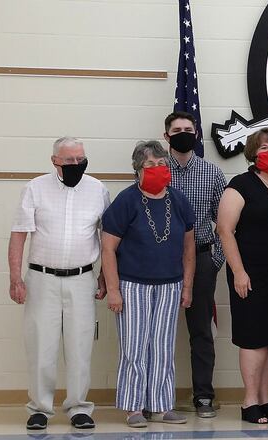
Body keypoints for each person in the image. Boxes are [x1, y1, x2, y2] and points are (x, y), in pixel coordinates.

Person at [9, 137, 110, 431]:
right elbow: (19, 235)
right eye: (70, 161)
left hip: (82, 279)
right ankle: (40, 408)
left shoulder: (98, 190)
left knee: (80, 346)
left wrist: (103, 276)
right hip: (41, 278)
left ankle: (79, 407)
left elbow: (106, 239)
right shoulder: (34, 188)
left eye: (81, 159)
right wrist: (16, 277)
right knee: (41, 345)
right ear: (54, 161)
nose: (77, 165)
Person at [101, 141, 195, 428]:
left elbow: (189, 250)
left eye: (161, 164)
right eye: (150, 165)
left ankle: (161, 405)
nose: (157, 169)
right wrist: (114, 290)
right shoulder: (126, 201)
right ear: (137, 170)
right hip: (132, 286)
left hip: (170, 285)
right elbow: (108, 249)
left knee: (163, 347)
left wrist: (187, 287)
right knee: (135, 348)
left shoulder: (179, 200)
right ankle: (133, 407)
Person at [217, 129, 268, 424]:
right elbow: (225, 230)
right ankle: (249, 400)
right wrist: (238, 271)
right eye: (263, 147)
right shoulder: (241, 185)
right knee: (253, 339)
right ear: (253, 152)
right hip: (249, 272)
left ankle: (265, 398)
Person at [164, 111, 227, 418]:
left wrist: (216, 259)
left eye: (188, 129)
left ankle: (203, 395)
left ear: (197, 133)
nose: (183, 133)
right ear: (167, 136)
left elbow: (226, 222)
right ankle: (155, 396)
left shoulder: (213, 173)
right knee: (156, 331)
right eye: (177, 130)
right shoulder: (154, 170)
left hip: (202, 259)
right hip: (160, 262)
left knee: (200, 331)